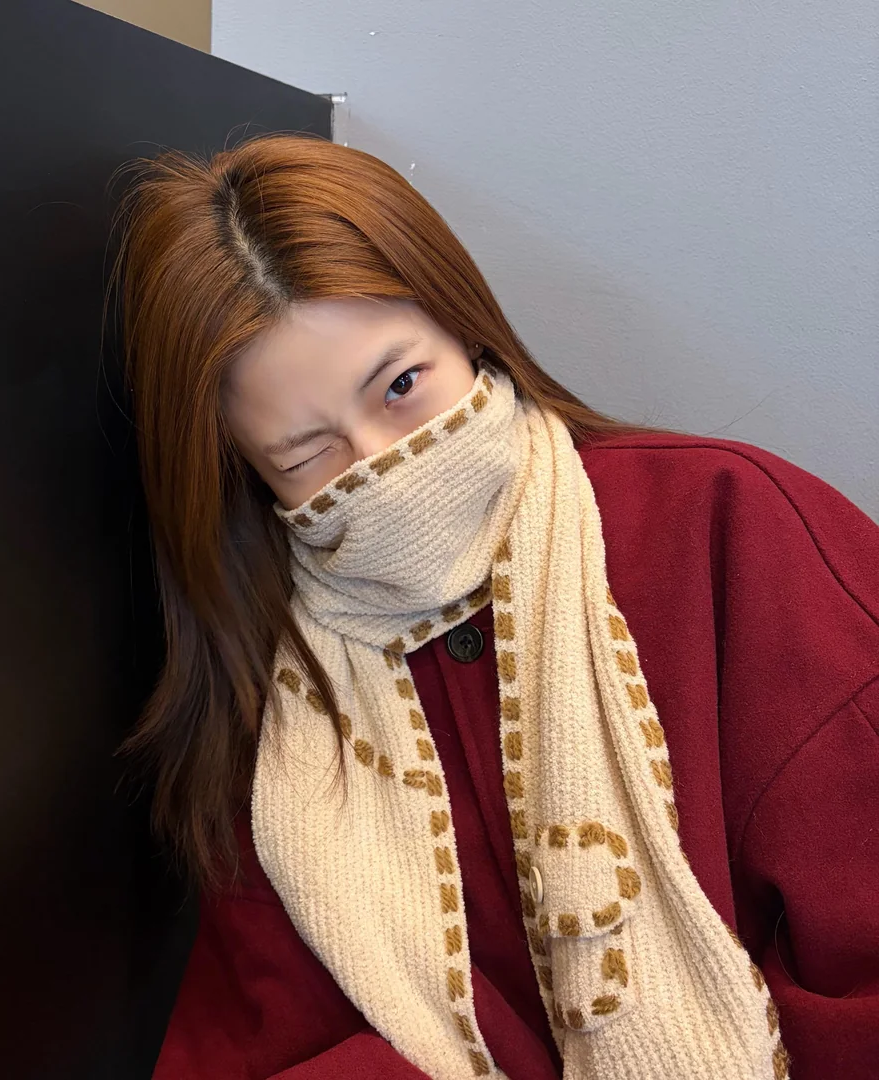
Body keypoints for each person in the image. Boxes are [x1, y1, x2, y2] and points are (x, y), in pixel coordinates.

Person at [114, 132, 879, 1080]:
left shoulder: (728, 523)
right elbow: (271, 1042)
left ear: (463, 326)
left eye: (402, 387)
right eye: (309, 456)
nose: (381, 464)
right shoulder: (278, 711)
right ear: (254, 482)